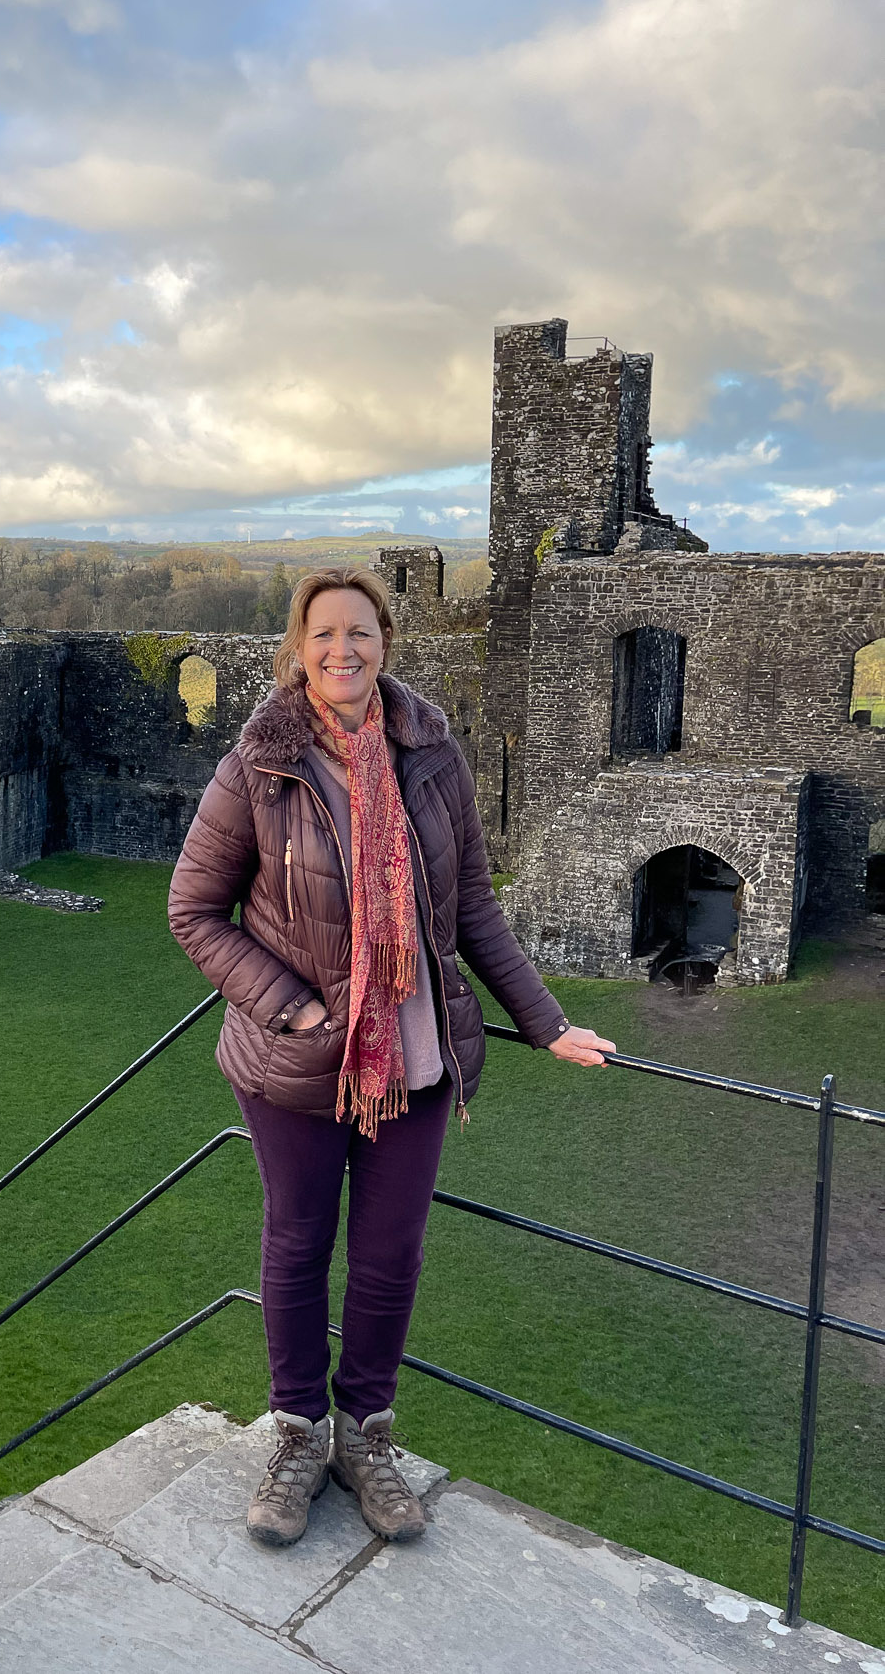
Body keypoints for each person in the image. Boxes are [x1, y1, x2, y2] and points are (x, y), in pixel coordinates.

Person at [168, 566, 611, 1550]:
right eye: (324, 634)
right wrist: (287, 1005)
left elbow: (475, 912)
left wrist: (545, 1022)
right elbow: (192, 911)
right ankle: (296, 1440)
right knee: (295, 1248)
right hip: (297, 1062)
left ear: (385, 642)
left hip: (413, 1058)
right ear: (298, 647)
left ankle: (365, 1438)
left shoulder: (431, 752)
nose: (343, 651)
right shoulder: (259, 764)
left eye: (359, 633)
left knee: (389, 1257)